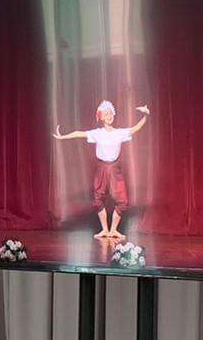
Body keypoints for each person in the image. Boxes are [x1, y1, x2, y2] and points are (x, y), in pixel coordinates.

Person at [54, 100, 150, 239]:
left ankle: (113, 230)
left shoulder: (119, 133)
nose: (109, 116)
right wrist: (63, 137)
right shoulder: (97, 133)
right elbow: (79, 133)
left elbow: (136, 128)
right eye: (106, 114)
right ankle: (105, 229)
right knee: (98, 199)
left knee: (122, 201)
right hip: (102, 168)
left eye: (110, 113)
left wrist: (146, 115)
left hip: (114, 168)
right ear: (101, 117)